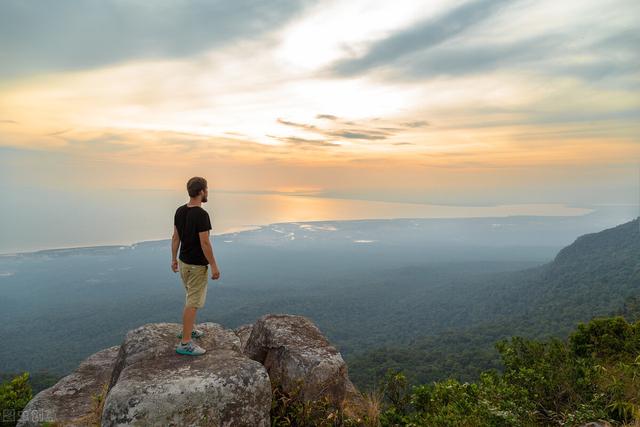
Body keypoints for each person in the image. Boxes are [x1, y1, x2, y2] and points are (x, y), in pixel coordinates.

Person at [171, 176, 221, 356]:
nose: (207, 192)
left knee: (190, 297)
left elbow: (175, 237)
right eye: (206, 189)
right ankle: (185, 343)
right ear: (201, 191)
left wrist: (173, 259)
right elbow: (205, 243)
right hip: (197, 266)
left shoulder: (179, 211)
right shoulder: (201, 215)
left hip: (184, 262)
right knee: (193, 302)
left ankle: (189, 329)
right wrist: (214, 266)